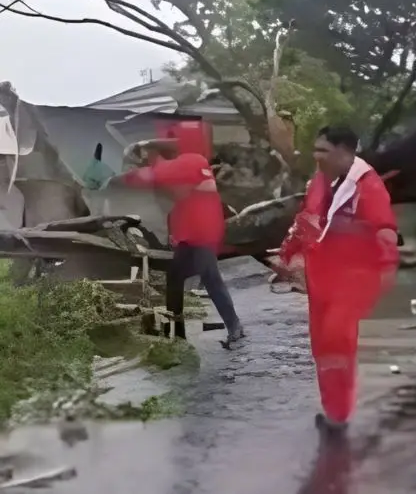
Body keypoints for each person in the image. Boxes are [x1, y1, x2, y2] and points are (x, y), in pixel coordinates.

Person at [275, 125, 400, 435]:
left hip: (353, 279)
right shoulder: (320, 182)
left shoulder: (368, 187)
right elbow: (306, 220)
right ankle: (333, 410)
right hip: (321, 279)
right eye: (315, 150)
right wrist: (287, 253)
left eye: (323, 151)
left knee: (336, 343)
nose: (315, 156)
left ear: (345, 151)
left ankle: (339, 417)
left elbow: (385, 230)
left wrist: (386, 269)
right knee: (321, 347)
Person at [118, 130, 244, 347]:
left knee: (211, 279)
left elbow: (141, 178)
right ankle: (176, 331)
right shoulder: (196, 162)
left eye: (151, 154)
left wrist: (133, 161)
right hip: (194, 235)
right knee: (175, 278)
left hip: (200, 235)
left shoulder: (182, 165)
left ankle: (233, 327)